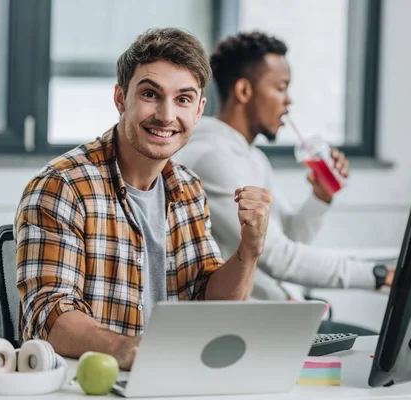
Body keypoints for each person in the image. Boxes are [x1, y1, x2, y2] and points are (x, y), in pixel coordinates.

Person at [14, 28, 272, 370]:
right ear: (121, 98)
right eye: (151, 94)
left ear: (198, 110)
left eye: (183, 99)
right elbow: (48, 315)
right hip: (90, 385)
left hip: (178, 378)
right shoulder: (63, 185)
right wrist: (125, 349)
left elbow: (210, 302)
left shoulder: (189, 188)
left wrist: (249, 250)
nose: (166, 116)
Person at [174, 32, 394, 335]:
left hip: (283, 314)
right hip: (250, 327)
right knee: (377, 347)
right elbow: (277, 257)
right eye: (280, 88)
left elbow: (289, 235)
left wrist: (321, 196)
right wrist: (378, 274)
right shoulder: (213, 158)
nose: (288, 101)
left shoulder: (251, 157)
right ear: (243, 90)